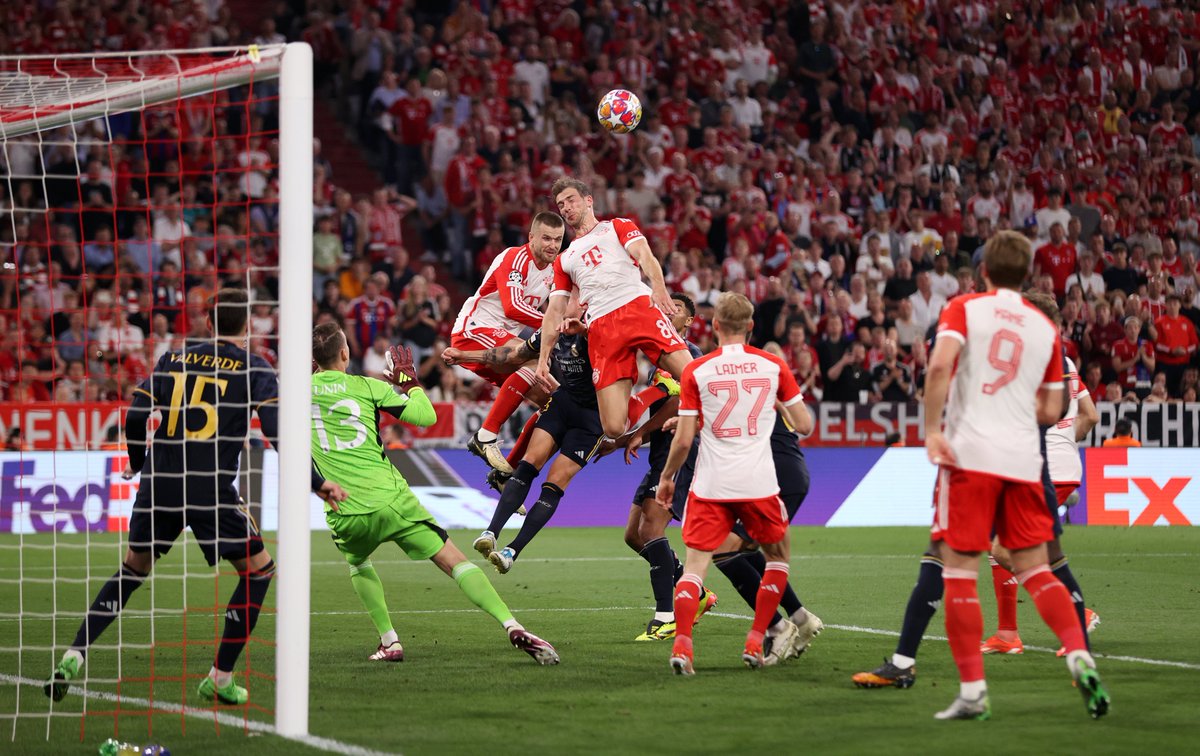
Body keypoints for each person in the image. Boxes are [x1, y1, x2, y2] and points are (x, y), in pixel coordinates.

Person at [45, 290, 345, 706]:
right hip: (209, 488)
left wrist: (139, 462)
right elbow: (276, 433)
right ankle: (220, 677)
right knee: (258, 571)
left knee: (133, 568)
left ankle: (74, 653)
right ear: (248, 327)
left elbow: (135, 415)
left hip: (160, 481)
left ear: (209, 321)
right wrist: (316, 482)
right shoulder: (255, 368)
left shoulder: (175, 358)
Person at [901, 231, 1106, 719]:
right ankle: (1079, 656)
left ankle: (973, 692)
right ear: (1027, 272)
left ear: (986, 271)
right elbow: (1054, 406)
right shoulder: (1044, 328)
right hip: (1025, 463)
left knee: (959, 572)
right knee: (1037, 567)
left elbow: (938, 370)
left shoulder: (965, 309)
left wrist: (933, 431)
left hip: (971, 455)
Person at [310, 323, 558, 665]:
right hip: (392, 499)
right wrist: (408, 383)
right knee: (454, 562)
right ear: (345, 354)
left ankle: (390, 641)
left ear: (313, 361)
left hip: (344, 506)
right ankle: (511, 624)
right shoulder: (366, 387)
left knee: (358, 563)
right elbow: (425, 417)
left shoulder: (297, 393)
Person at [655, 292, 813, 674]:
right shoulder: (774, 366)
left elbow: (683, 439)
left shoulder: (697, 370)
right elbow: (805, 425)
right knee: (777, 558)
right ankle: (758, 639)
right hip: (758, 483)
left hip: (711, 486)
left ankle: (682, 649)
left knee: (695, 567)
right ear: (752, 327)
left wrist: (667, 478)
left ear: (715, 327)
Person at [982, 292, 1102, 657]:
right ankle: (1008, 632)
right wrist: (1069, 435)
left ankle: (1075, 614)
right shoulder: (1065, 360)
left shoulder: (1022, 358)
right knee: (1007, 546)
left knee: (1005, 548)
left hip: (1036, 468)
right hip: (1059, 465)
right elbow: (1091, 416)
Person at [537, 177, 692, 443]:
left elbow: (644, 255)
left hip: (637, 307)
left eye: (570, 200)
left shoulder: (617, 226)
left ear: (589, 200)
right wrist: (543, 358)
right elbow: (555, 311)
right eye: (561, 204)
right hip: (601, 328)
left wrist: (659, 287)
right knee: (613, 428)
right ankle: (656, 391)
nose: (565, 208)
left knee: (692, 375)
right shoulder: (564, 259)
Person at [449, 311, 603, 574]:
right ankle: (490, 532)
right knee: (528, 466)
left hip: (592, 420)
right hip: (562, 404)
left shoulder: (600, 332)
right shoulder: (549, 332)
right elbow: (512, 356)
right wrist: (464, 356)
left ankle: (512, 551)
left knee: (553, 484)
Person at [618, 293, 717, 641]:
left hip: (680, 452)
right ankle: (700, 594)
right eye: (662, 308)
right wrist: (635, 436)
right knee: (634, 535)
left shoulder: (688, 356)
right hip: (660, 454)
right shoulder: (659, 355)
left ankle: (667, 616)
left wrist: (636, 433)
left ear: (688, 321)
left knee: (652, 531)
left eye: (673, 311)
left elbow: (677, 404)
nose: (665, 313)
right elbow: (662, 412)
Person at [452, 212, 566, 473]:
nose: (552, 245)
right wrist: (555, 326)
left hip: (504, 340)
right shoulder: (515, 257)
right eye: (546, 238)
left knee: (558, 404)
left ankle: (509, 471)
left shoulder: (556, 268)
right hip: (475, 330)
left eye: (558, 240)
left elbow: (564, 306)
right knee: (535, 357)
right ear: (531, 237)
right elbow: (513, 307)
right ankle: (486, 435)